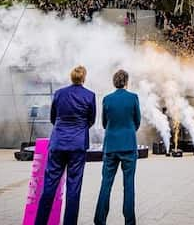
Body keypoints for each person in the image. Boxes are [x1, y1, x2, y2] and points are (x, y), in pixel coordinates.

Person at [35, 65, 96, 225]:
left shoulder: (59, 93)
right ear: (84, 78)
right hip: (77, 146)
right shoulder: (90, 96)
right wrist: (79, 129)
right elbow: (91, 120)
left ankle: (40, 222)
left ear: (71, 77)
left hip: (58, 143)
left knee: (49, 186)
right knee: (74, 187)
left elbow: (53, 118)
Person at [94, 69, 140, 225]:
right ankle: (129, 221)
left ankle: (99, 220)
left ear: (114, 82)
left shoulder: (107, 99)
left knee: (106, 184)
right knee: (129, 185)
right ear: (126, 81)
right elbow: (137, 121)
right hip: (128, 145)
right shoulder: (133, 98)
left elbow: (104, 123)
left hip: (111, 147)